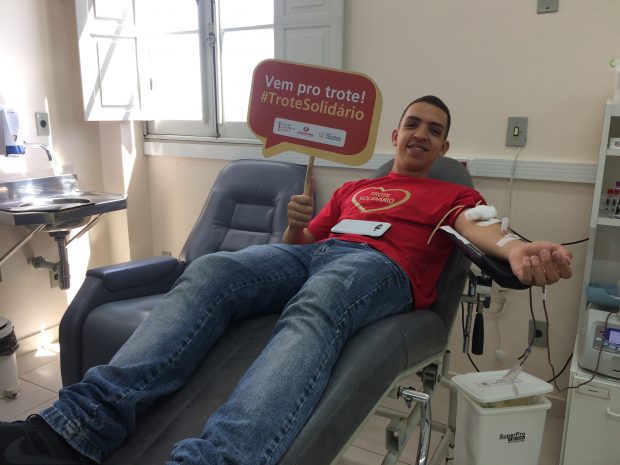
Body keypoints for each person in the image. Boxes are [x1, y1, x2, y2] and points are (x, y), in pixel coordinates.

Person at [0, 96, 572, 465]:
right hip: (321, 252)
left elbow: (487, 230)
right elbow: (303, 247)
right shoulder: (352, 191)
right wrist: (298, 226)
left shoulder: (454, 193)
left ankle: (220, 459)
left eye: (435, 130)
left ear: (445, 148)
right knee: (213, 269)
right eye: (413, 124)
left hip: (381, 271)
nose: (421, 134)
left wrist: (521, 251)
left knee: (322, 298)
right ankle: (77, 427)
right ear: (396, 135)